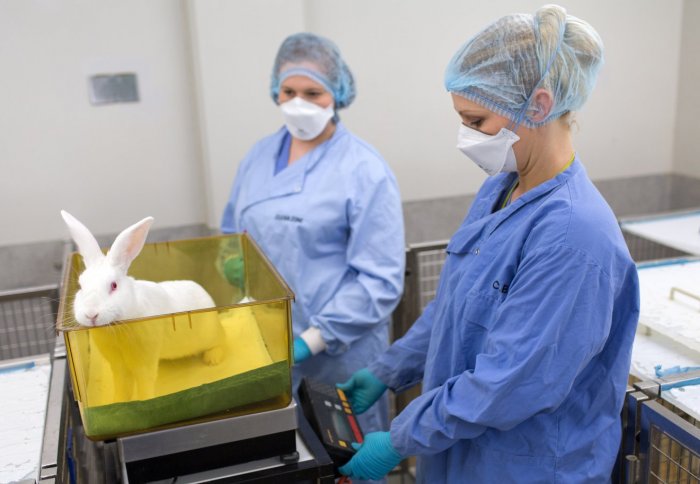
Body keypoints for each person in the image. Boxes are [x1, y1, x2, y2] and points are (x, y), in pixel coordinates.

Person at [337, 5, 640, 483]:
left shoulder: (573, 236)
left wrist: (400, 438)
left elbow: (513, 380)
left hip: (525, 467)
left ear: (538, 105)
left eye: (476, 121)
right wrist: (389, 369)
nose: (466, 137)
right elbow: (457, 305)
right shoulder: (501, 189)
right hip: (462, 456)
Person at [220, 32, 405, 469]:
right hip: (266, 349)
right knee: (280, 464)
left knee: (344, 465)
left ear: (336, 95)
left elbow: (379, 280)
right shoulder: (259, 156)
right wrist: (229, 260)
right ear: (275, 91)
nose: (298, 103)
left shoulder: (365, 170)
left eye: (312, 92)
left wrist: (310, 340)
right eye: (289, 92)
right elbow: (232, 227)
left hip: (339, 358)